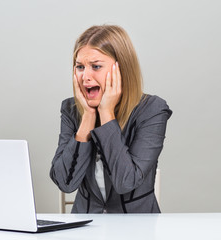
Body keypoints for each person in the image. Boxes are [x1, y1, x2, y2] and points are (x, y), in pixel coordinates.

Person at [50, 25, 172, 213]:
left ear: (121, 69)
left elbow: (126, 181)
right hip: (86, 226)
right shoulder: (71, 109)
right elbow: (65, 183)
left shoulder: (152, 110)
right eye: (80, 67)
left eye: (96, 66)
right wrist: (88, 118)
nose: (85, 77)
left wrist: (106, 113)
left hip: (138, 226)